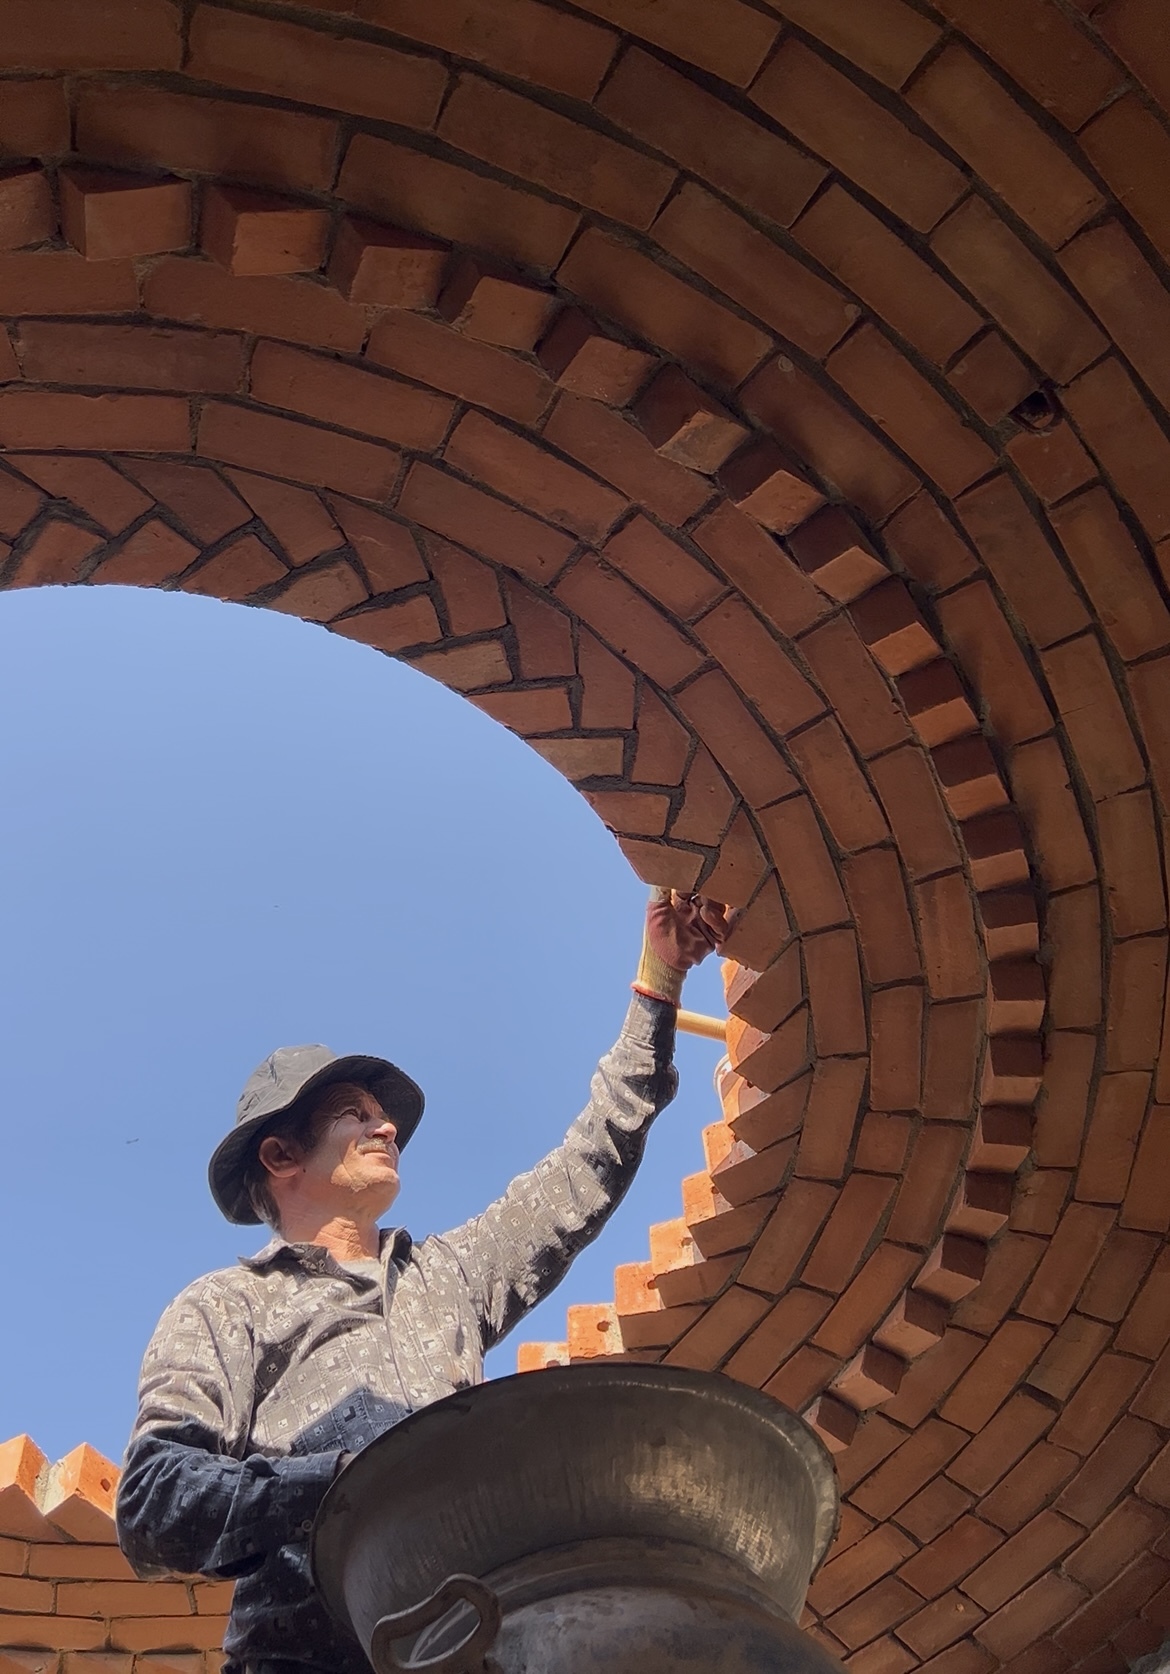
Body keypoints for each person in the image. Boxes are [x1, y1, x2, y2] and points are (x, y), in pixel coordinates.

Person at [116, 888, 729, 1674]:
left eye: (384, 1114)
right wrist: (349, 1488)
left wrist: (659, 984)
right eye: (353, 1113)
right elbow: (154, 1501)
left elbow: (589, 1164)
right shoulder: (227, 1307)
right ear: (279, 1156)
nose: (387, 1126)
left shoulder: (449, 1279)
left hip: (469, 1649)